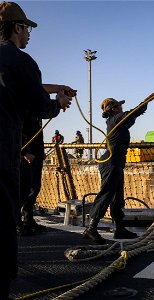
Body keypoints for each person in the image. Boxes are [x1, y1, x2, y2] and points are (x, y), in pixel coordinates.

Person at [0, 2, 73, 298]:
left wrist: (54, 89)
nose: (29, 34)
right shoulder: (21, 60)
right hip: (2, 156)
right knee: (4, 220)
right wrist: (59, 103)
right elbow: (39, 105)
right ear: (18, 27)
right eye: (27, 28)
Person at [83, 95, 154, 244]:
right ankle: (91, 228)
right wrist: (145, 103)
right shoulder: (116, 120)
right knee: (107, 194)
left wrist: (142, 106)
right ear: (114, 109)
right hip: (111, 162)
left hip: (115, 162)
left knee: (117, 197)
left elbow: (130, 117)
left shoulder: (116, 121)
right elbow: (132, 113)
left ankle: (120, 228)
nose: (122, 108)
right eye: (119, 107)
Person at [18, 85, 76, 237]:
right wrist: (25, 152)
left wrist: (61, 90)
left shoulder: (35, 106)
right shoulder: (23, 104)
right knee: (21, 190)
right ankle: (17, 223)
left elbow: (39, 89)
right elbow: (17, 130)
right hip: (26, 153)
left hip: (36, 153)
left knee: (33, 188)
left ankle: (28, 219)